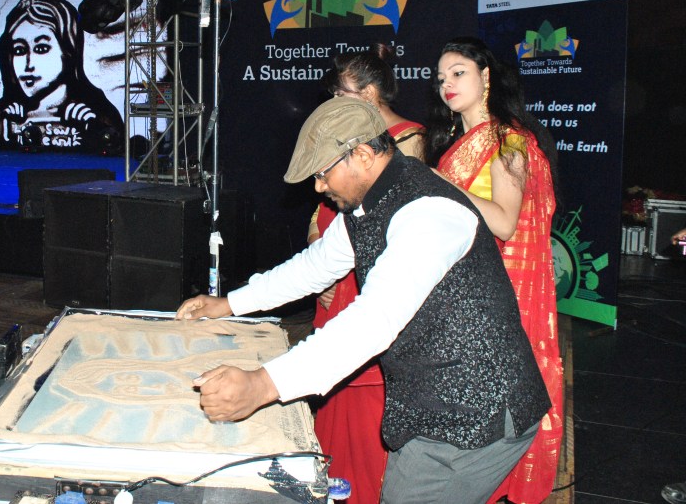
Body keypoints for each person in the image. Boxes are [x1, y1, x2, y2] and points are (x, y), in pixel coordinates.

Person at [176, 97, 550, 504]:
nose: (319, 187)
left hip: (476, 413)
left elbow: (373, 320)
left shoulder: (430, 213)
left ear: (363, 155)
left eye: (323, 173)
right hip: (439, 402)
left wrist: (262, 385)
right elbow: (315, 266)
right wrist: (230, 303)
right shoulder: (373, 201)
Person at [424, 36, 563, 504]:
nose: (447, 83)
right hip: (461, 287)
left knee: (498, 390)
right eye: (441, 77)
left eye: (458, 72)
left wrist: (443, 186)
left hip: (500, 290)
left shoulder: (509, 141)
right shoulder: (454, 145)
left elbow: (504, 222)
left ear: (486, 77)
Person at [306, 44, 425, 504]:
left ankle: (365, 489)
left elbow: (387, 219)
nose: (335, 101)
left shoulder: (407, 138)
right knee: (330, 383)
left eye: (343, 93)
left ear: (371, 93)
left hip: (366, 271)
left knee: (364, 384)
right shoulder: (343, 132)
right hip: (335, 259)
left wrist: (338, 269)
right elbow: (320, 208)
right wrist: (319, 256)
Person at [0, 0, 123, 150]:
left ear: (68, 50)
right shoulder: (2, 114)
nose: (28, 64)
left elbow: (116, 146)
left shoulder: (97, 109)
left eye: (41, 49)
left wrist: (92, 126)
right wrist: (2, 126)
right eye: (19, 50)